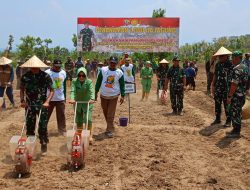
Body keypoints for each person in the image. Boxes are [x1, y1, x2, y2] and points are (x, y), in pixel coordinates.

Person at [20, 56, 54, 155]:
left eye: (36, 66)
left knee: (42, 126)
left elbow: (52, 90)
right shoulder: (25, 76)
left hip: (42, 105)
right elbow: (22, 89)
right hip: (29, 105)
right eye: (32, 67)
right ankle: (30, 147)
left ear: (39, 66)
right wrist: (22, 100)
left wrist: (47, 101)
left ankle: (44, 144)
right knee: (30, 126)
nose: (34, 68)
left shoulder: (45, 76)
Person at [95, 56, 125, 138]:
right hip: (103, 95)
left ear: (117, 63)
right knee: (105, 111)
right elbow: (98, 81)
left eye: (114, 63)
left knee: (110, 113)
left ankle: (109, 130)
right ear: (108, 62)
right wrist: (95, 92)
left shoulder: (119, 72)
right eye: (111, 62)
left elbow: (122, 84)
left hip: (114, 96)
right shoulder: (103, 70)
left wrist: (122, 95)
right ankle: (111, 126)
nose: (112, 64)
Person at [69, 67, 95, 143]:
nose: (81, 77)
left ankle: (90, 136)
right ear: (77, 75)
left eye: (83, 75)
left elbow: (91, 90)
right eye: (79, 75)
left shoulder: (89, 82)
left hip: (88, 103)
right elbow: (73, 91)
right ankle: (79, 135)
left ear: (85, 75)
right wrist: (72, 99)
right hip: (77, 103)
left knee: (88, 119)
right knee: (79, 120)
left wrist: (92, 98)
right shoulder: (74, 81)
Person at [226, 51, 248, 138]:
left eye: (233, 58)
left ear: (237, 58)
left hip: (236, 96)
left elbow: (234, 84)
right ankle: (235, 129)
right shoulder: (245, 67)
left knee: (235, 113)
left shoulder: (237, 69)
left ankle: (236, 131)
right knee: (237, 112)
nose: (232, 60)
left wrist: (230, 96)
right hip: (242, 94)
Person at [211, 47, 234, 127]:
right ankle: (218, 119)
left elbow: (233, 78)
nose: (219, 58)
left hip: (227, 88)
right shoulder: (218, 64)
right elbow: (215, 75)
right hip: (218, 87)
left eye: (221, 56)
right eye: (219, 56)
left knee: (226, 104)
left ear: (226, 56)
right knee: (217, 103)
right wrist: (213, 85)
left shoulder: (230, 64)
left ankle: (228, 120)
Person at [45, 59, 67, 136]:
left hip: (60, 98)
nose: (58, 68)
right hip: (49, 98)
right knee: (46, 115)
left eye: (59, 66)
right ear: (52, 65)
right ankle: (43, 130)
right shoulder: (47, 73)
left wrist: (65, 97)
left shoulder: (63, 72)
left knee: (61, 115)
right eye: (56, 66)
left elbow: (64, 86)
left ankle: (62, 131)